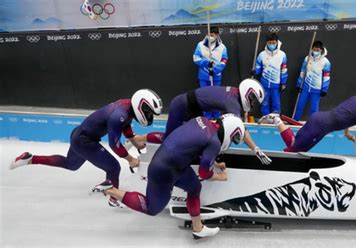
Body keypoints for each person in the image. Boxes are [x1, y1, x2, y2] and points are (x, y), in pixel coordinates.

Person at [93, 114, 245, 239]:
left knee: (194, 188)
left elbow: (194, 146)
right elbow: (204, 173)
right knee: (151, 208)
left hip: (173, 163)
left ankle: (198, 228)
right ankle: (112, 189)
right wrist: (220, 177)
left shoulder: (201, 120)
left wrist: (215, 164)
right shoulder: (214, 142)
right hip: (164, 171)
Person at [10, 89, 163, 207]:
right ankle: (113, 198)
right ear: (140, 105)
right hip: (84, 141)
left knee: (71, 164)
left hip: (80, 135)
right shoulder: (119, 115)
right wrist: (130, 159)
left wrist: (134, 142)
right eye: (148, 112)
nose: (149, 116)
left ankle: (30, 158)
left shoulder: (127, 106)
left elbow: (126, 125)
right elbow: (114, 143)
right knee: (113, 168)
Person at [131, 79, 272, 165]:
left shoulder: (234, 94)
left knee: (195, 139)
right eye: (253, 99)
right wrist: (255, 148)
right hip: (182, 106)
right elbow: (240, 129)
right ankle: (140, 139)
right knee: (170, 139)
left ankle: (200, 159)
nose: (252, 104)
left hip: (192, 107)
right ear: (247, 93)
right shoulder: (233, 102)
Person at [259, 92, 356, 155]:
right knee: (292, 150)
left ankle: (277, 120)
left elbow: (352, 111)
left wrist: (347, 132)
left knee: (296, 146)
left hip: (321, 121)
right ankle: (276, 121)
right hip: (321, 126)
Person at [193, 26, 228, 119]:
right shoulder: (200, 45)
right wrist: (205, 63)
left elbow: (224, 60)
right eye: (209, 35)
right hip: (203, 76)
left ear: (217, 35)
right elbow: (195, 58)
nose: (210, 37)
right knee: (205, 97)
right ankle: (207, 117)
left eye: (212, 35)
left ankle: (216, 117)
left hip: (216, 76)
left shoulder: (222, 47)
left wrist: (216, 69)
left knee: (215, 97)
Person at [293, 40, 331, 121]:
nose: (316, 51)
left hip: (316, 89)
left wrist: (324, 89)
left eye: (318, 50)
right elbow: (303, 72)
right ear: (312, 49)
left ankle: (313, 122)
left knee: (314, 108)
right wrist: (299, 84)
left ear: (321, 50)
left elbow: (326, 77)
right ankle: (295, 120)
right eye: (314, 49)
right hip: (306, 86)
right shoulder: (307, 58)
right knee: (300, 105)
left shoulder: (326, 62)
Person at [252, 33, 288, 116]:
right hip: (264, 84)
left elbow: (284, 70)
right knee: (264, 103)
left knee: (276, 103)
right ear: (266, 43)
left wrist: (283, 83)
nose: (271, 45)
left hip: (276, 84)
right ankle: (265, 118)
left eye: (273, 43)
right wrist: (255, 71)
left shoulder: (282, 55)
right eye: (269, 43)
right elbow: (258, 67)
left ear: (277, 42)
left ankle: (276, 119)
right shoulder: (262, 54)